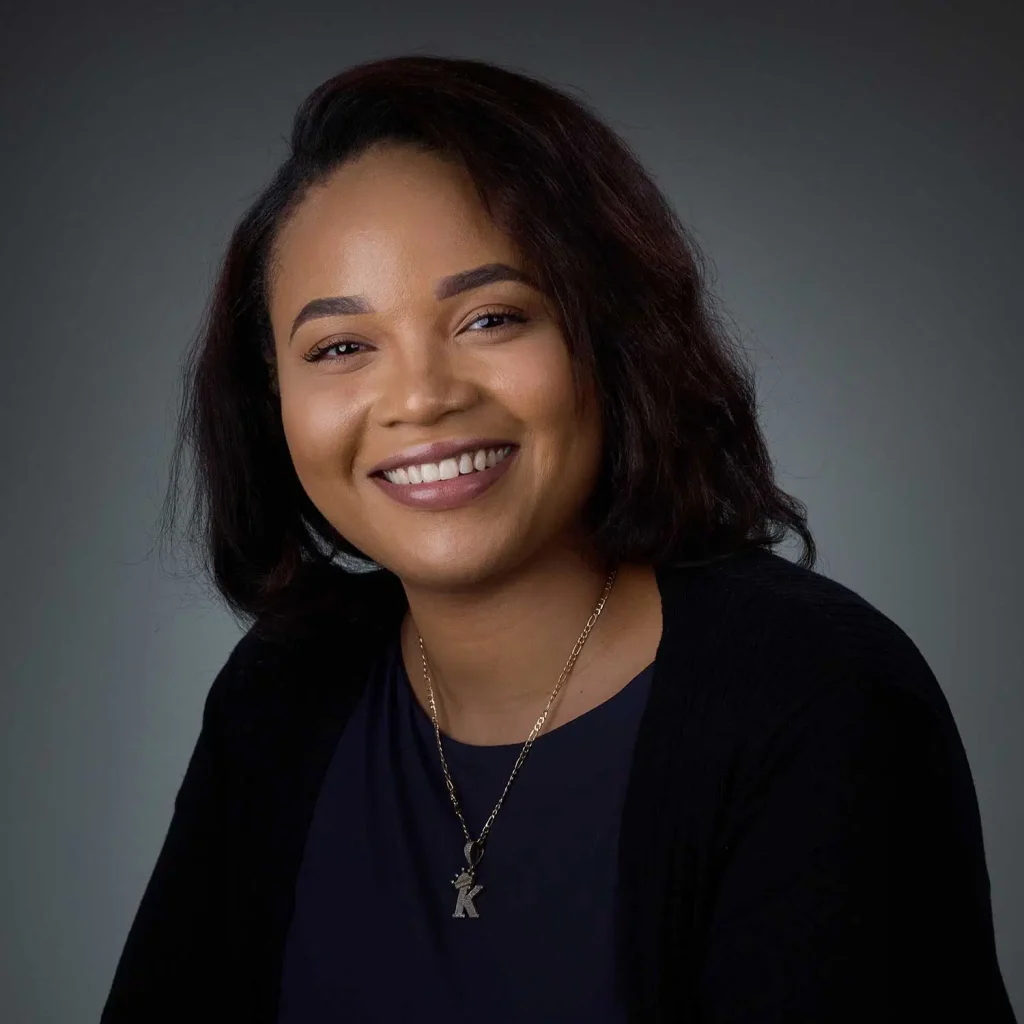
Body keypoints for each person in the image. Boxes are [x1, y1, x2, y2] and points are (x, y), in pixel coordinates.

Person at [100, 54, 1016, 1023]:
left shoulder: (817, 700)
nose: (420, 398)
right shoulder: (281, 694)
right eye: (340, 347)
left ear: (609, 337)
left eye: (492, 317)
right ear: (270, 400)